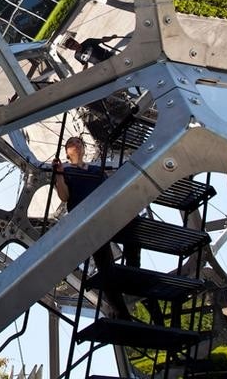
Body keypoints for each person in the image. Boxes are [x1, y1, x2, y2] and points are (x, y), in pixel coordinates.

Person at [52, 136, 152, 322]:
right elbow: (64, 197)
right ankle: (122, 312)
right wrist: (58, 174)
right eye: (73, 143)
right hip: (88, 221)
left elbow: (110, 190)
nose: (78, 145)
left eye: (80, 142)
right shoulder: (64, 171)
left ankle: (133, 268)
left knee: (130, 228)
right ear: (67, 151)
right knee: (104, 265)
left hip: (105, 214)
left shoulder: (96, 170)